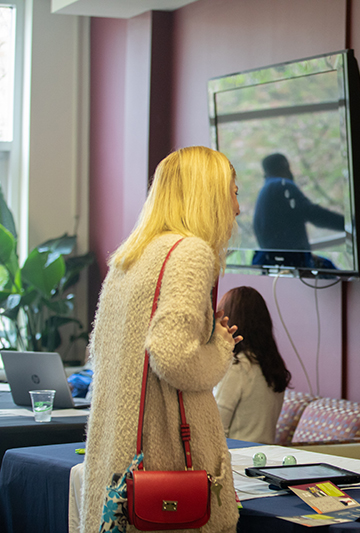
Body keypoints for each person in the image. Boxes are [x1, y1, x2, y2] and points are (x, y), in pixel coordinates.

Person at [80, 146, 242, 533]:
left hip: (118, 465)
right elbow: (172, 356)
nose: (238, 208)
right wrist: (221, 346)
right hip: (166, 466)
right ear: (211, 195)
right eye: (234, 192)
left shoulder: (131, 256)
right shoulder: (190, 253)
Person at [214, 286, 292, 444]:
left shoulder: (237, 368)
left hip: (238, 458)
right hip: (265, 457)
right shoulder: (272, 367)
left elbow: (215, 428)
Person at [252, 152, 344, 269]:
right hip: (292, 263)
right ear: (285, 167)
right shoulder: (282, 185)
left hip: (279, 262)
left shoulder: (266, 190)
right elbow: (312, 213)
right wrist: (346, 224)